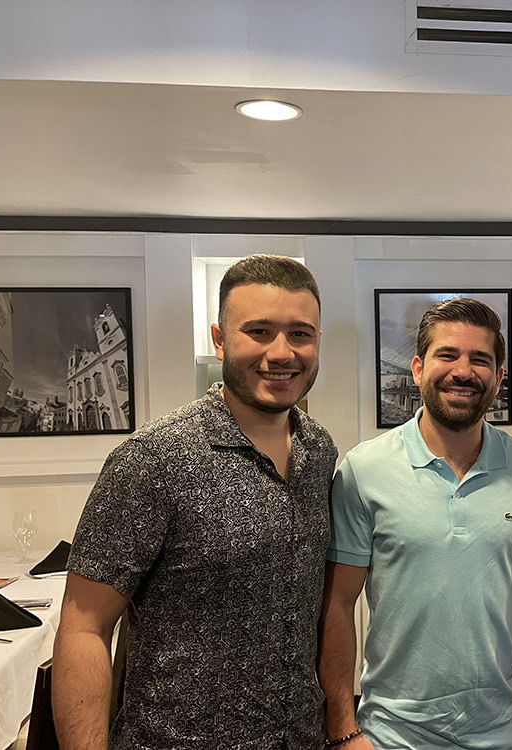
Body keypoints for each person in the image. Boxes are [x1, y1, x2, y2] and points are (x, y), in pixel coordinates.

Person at [52, 255, 338, 750]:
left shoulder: (319, 450)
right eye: (259, 331)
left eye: (300, 334)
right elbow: (84, 628)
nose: (281, 352)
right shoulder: (154, 459)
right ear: (219, 339)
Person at [319, 297, 512, 750]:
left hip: (504, 732)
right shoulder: (364, 470)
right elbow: (338, 602)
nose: (463, 371)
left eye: (480, 359)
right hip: (390, 735)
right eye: (447, 355)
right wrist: (342, 727)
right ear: (417, 369)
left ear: (499, 378)